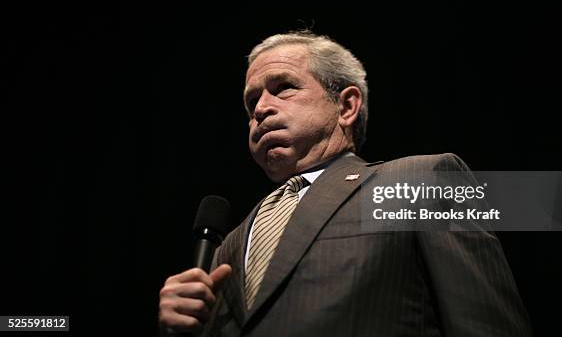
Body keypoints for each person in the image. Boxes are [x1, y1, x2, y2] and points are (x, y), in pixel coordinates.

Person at [158, 32, 531, 336]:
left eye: (283, 87)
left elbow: (485, 323)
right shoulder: (231, 242)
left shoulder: (418, 180)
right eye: (251, 100)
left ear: (346, 106)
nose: (260, 109)